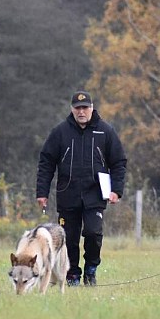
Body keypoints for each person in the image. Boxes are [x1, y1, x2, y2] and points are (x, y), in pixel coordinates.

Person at [36, 90, 127, 286]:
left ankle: (91, 270)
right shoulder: (60, 132)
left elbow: (119, 162)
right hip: (68, 195)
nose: (81, 111)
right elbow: (46, 162)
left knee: (93, 234)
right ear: (72, 110)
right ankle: (72, 274)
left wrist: (116, 190)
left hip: (95, 194)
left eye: (85, 107)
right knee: (69, 239)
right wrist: (42, 192)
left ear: (92, 108)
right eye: (77, 108)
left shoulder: (106, 131)